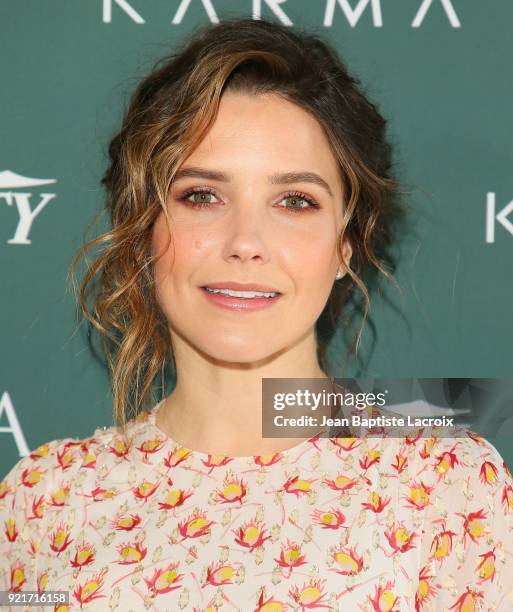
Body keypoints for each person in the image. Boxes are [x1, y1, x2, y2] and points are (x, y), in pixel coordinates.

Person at [1, 17, 512, 611]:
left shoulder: (449, 490)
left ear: (345, 245)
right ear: (143, 231)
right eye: (201, 195)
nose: (246, 241)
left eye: (295, 201)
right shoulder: (44, 500)